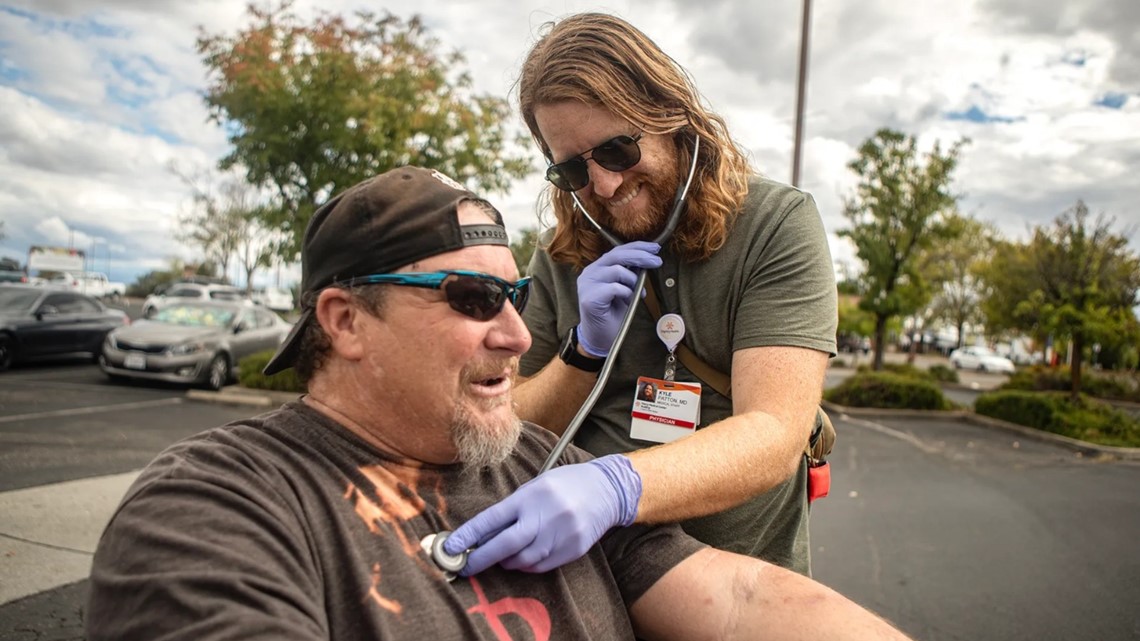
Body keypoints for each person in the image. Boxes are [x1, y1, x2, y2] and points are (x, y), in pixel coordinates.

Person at [86, 167, 908, 641]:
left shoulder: (541, 468)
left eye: (516, 294)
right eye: (475, 297)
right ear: (344, 320)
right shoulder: (216, 505)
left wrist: (614, 484)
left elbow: (740, 602)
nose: (518, 332)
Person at [444, 13, 837, 577]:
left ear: (673, 117)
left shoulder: (777, 225)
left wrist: (618, 486)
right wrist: (584, 353)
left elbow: (775, 430)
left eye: (618, 151)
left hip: (734, 579)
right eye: (574, 169)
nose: (603, 185)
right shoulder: (561, 252)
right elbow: (510, 421)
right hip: (588, 574)